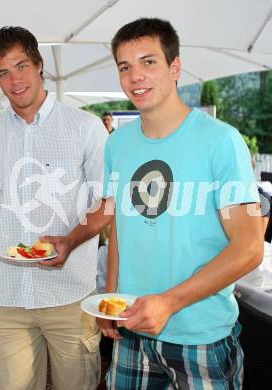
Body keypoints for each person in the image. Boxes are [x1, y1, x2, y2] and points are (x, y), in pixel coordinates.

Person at [100, 18, 263, 389]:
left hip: (200, 335)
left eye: (148, 62)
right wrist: (110, 301)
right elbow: (119, 231)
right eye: (125, 67)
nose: (136, 76)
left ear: (175, 67)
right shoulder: (116, 146)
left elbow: (250, 248)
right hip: (133, 330)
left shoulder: (222, 141)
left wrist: (169, 302)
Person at [0, 26, 111, 390]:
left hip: (69, 294)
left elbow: (105, 206)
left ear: (39, 65)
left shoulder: (86, 128)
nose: (15, 80)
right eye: (4, 72)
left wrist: (70, 240)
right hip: (7, 295)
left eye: (21, 66)